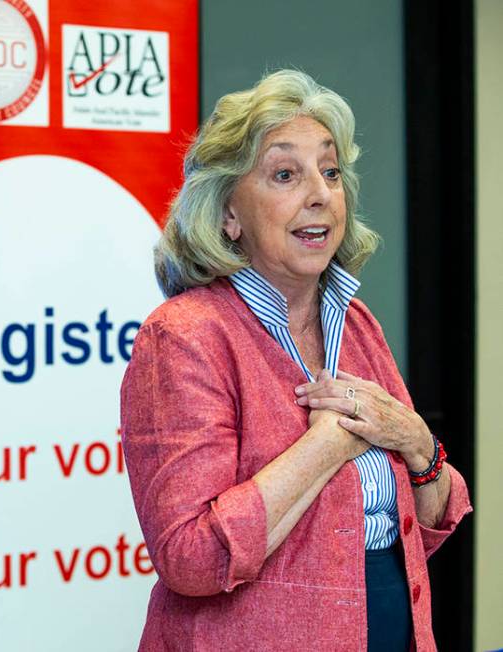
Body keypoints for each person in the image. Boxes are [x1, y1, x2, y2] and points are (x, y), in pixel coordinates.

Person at [120, 70, 472, 651]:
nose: (320, 194)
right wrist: (327, 445)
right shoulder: (184, 337)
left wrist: (415, 441)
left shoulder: (356, 323)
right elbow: (188, 558)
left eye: (330, 172)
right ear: (228, 215)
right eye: (286, 174)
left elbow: (426, 526)